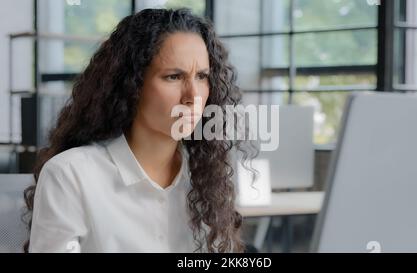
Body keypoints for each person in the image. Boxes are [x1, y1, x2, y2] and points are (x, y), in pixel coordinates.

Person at [23, 8, 256, 253]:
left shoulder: (206, 176)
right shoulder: (70, 175)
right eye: (174, 77)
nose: (193, 96)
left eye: (201, 76)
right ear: (131, 85)